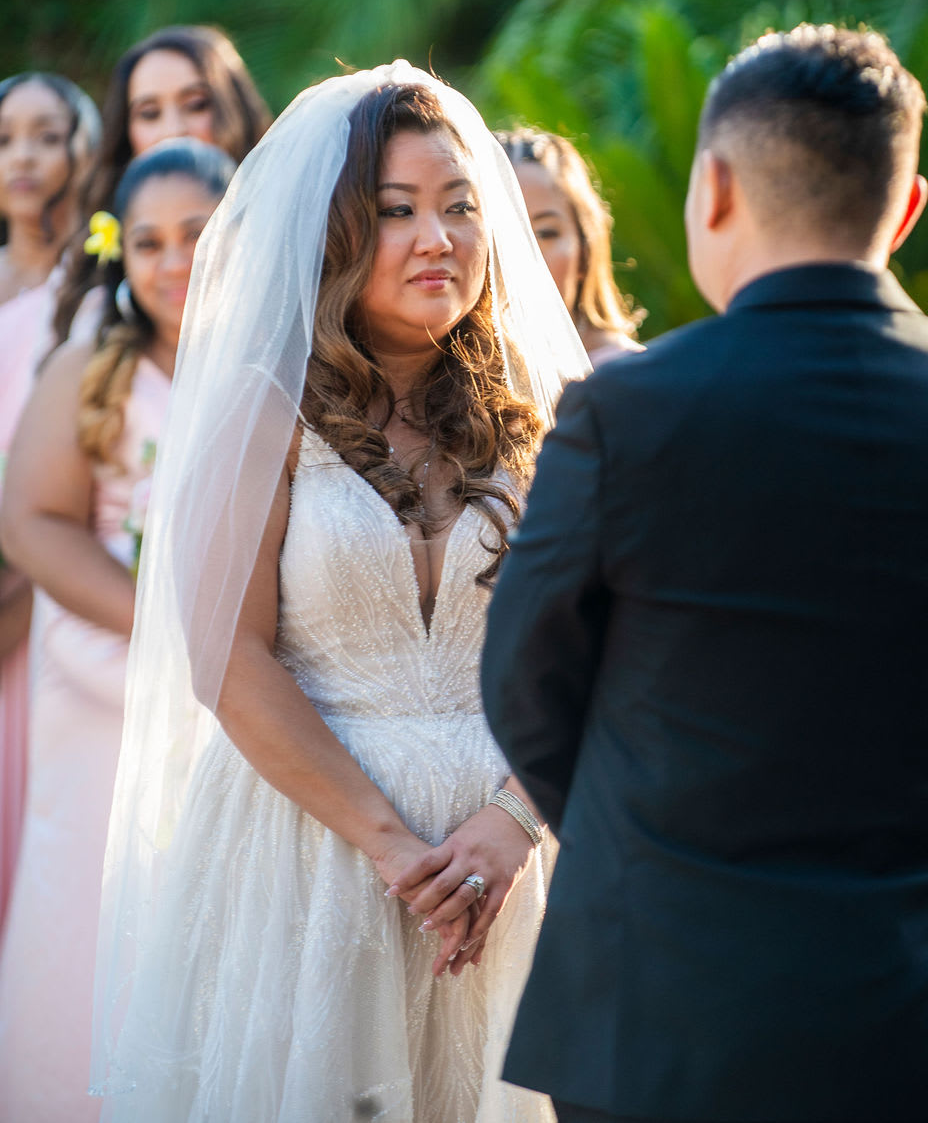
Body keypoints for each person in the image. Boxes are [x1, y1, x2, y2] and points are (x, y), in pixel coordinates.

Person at [481, 23, 928, 1123]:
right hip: (916, 1008)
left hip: (665, 1002)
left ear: (713, 188)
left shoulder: (627, 410)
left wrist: (638, 840)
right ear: (907, 207)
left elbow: (523, 677)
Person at [89, 64, 589, 1121]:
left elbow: (603, 643)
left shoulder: (540, 419)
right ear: (335, 233)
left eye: (460, 206)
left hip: (508, 857)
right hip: (311, 855)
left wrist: (512, 821)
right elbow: (226, 655)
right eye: (398, 210)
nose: (438, 237)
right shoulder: (263, 412)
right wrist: (395, 849)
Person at [0, 138, 236, 1123]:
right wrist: (166, 628)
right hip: (103, 680)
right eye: (149, 243)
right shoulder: (92, 360)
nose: (174, 260)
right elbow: (30, 522)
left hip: (238, 696)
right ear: (121, 255)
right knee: (91, 906)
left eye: (198, 234)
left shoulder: (287, 357)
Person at [0, 70, 100, 931]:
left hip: (53, 593)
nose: (22, 156)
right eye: (4, 139)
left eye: (43, 134)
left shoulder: (94, 287)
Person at [53, 24, 271, 343]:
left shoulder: (294, 233)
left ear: (235, 112)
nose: (173, 129)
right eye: (150, 113)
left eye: (197, 105)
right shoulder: (92, 274)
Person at [496, 130, 643, 367]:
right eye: (501, 232)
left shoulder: (631, 377)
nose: (523, 253)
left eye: (545, 233)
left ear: (585, 252)